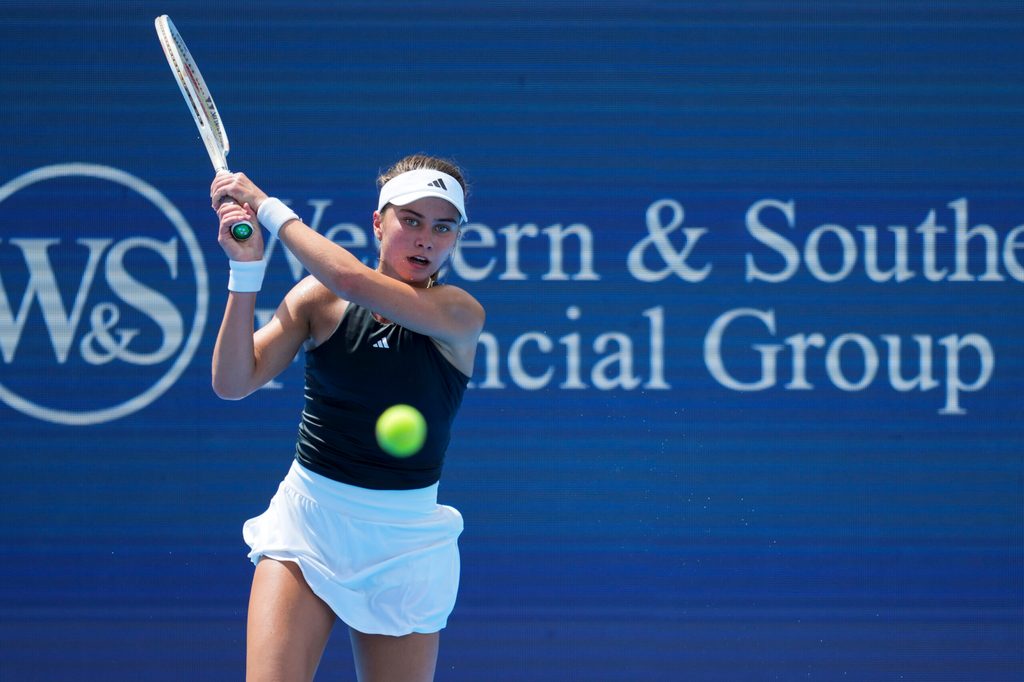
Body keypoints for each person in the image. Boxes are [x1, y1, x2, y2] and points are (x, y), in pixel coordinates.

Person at [208, 154, 484, 682]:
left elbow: (352, 280)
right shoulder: (319, 300)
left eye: (443, 227)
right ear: (378, 223)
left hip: (406, 541)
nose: (426, 238)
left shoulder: (458, 313)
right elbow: (232, 382)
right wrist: (245, 269)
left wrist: (265, 206)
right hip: (308, 521)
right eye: (412, 221)